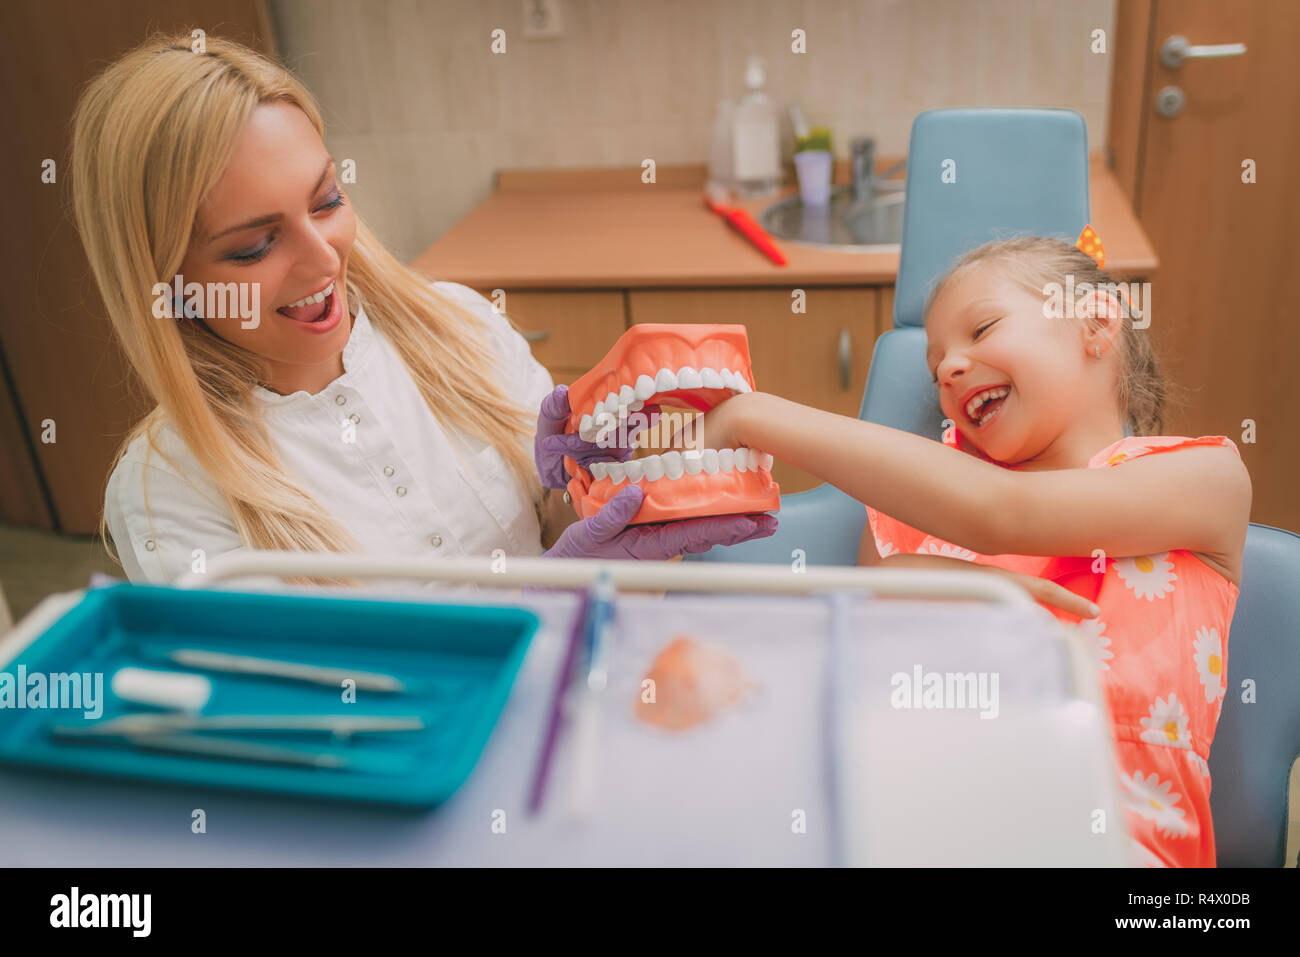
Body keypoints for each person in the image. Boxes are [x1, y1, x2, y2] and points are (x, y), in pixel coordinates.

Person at [68, 34, 774, 584]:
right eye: (254, 246)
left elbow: (547, 523)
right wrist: (543, 603)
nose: (322, 259)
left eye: (327, 202)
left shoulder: (456, 324)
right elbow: (313, 714)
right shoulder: (169, 492)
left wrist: (591, 506)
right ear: (167, 281)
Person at [684, 236, 1252, 866]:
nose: (951, 369)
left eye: (982, 328)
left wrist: (751, 417)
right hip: (924, 823)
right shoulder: (915, 517)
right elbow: (863, 663)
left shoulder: (1205, 479)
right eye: (937, 369)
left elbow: (1003, 513)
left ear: (1095, 321)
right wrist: (967, 588)